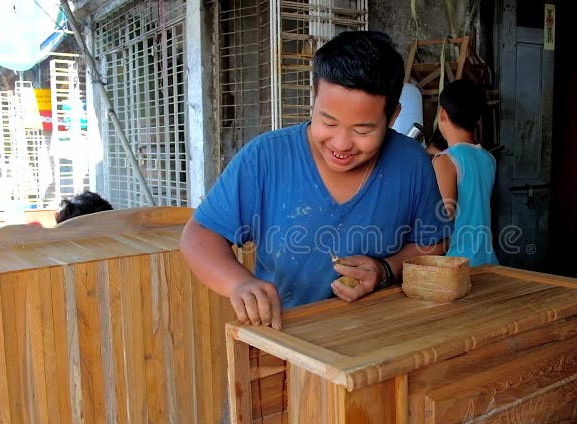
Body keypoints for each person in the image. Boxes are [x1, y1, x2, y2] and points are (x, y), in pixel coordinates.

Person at [180, 31, 449, 329]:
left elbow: (430, 245)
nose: (341, 143)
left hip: (380, 341)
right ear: (314, 99)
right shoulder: (266, 158)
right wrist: (239, 283)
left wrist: (385, 270)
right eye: (328, 122)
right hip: (287, 344)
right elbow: (200, 234)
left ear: (393, 116)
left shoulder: (412, 163)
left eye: (362, 130)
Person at [432, 78, 499, 267]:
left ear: (442, 114)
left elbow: (443, 219)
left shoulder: (445, 161)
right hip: (487, 261)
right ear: (477, 119)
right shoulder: (489, 159)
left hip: (457, 263)